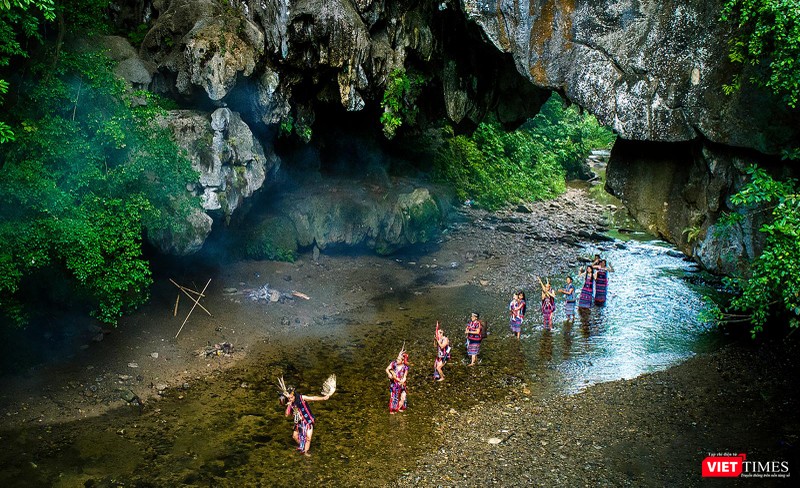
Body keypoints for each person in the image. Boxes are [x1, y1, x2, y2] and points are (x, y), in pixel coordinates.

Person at [278, 376, 335, 455]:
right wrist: (289, 405)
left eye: (291, 397)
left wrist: (323, 398)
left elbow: (312, 398)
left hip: (308, 421)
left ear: (294, 395)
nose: (290, 399)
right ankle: (303, 446)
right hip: (299, 422)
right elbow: (287, 415)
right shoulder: (290, 404)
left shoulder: (302, 398)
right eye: (289, 398)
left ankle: (306, 452)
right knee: (294, 436)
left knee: (308, 438)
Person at [386, 348, 410, 413]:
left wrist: (403, 380)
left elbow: (405, 376)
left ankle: (398, 408)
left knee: (403, 397)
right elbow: (387, 369)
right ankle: (393, 410)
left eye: (398, 359)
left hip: (401, 384)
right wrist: (389, 374)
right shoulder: (393, 364)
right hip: (394, 384)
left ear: (402, 361)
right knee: (394, 397)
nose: (397, 360)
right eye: (397, 358)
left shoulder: (405, 367)